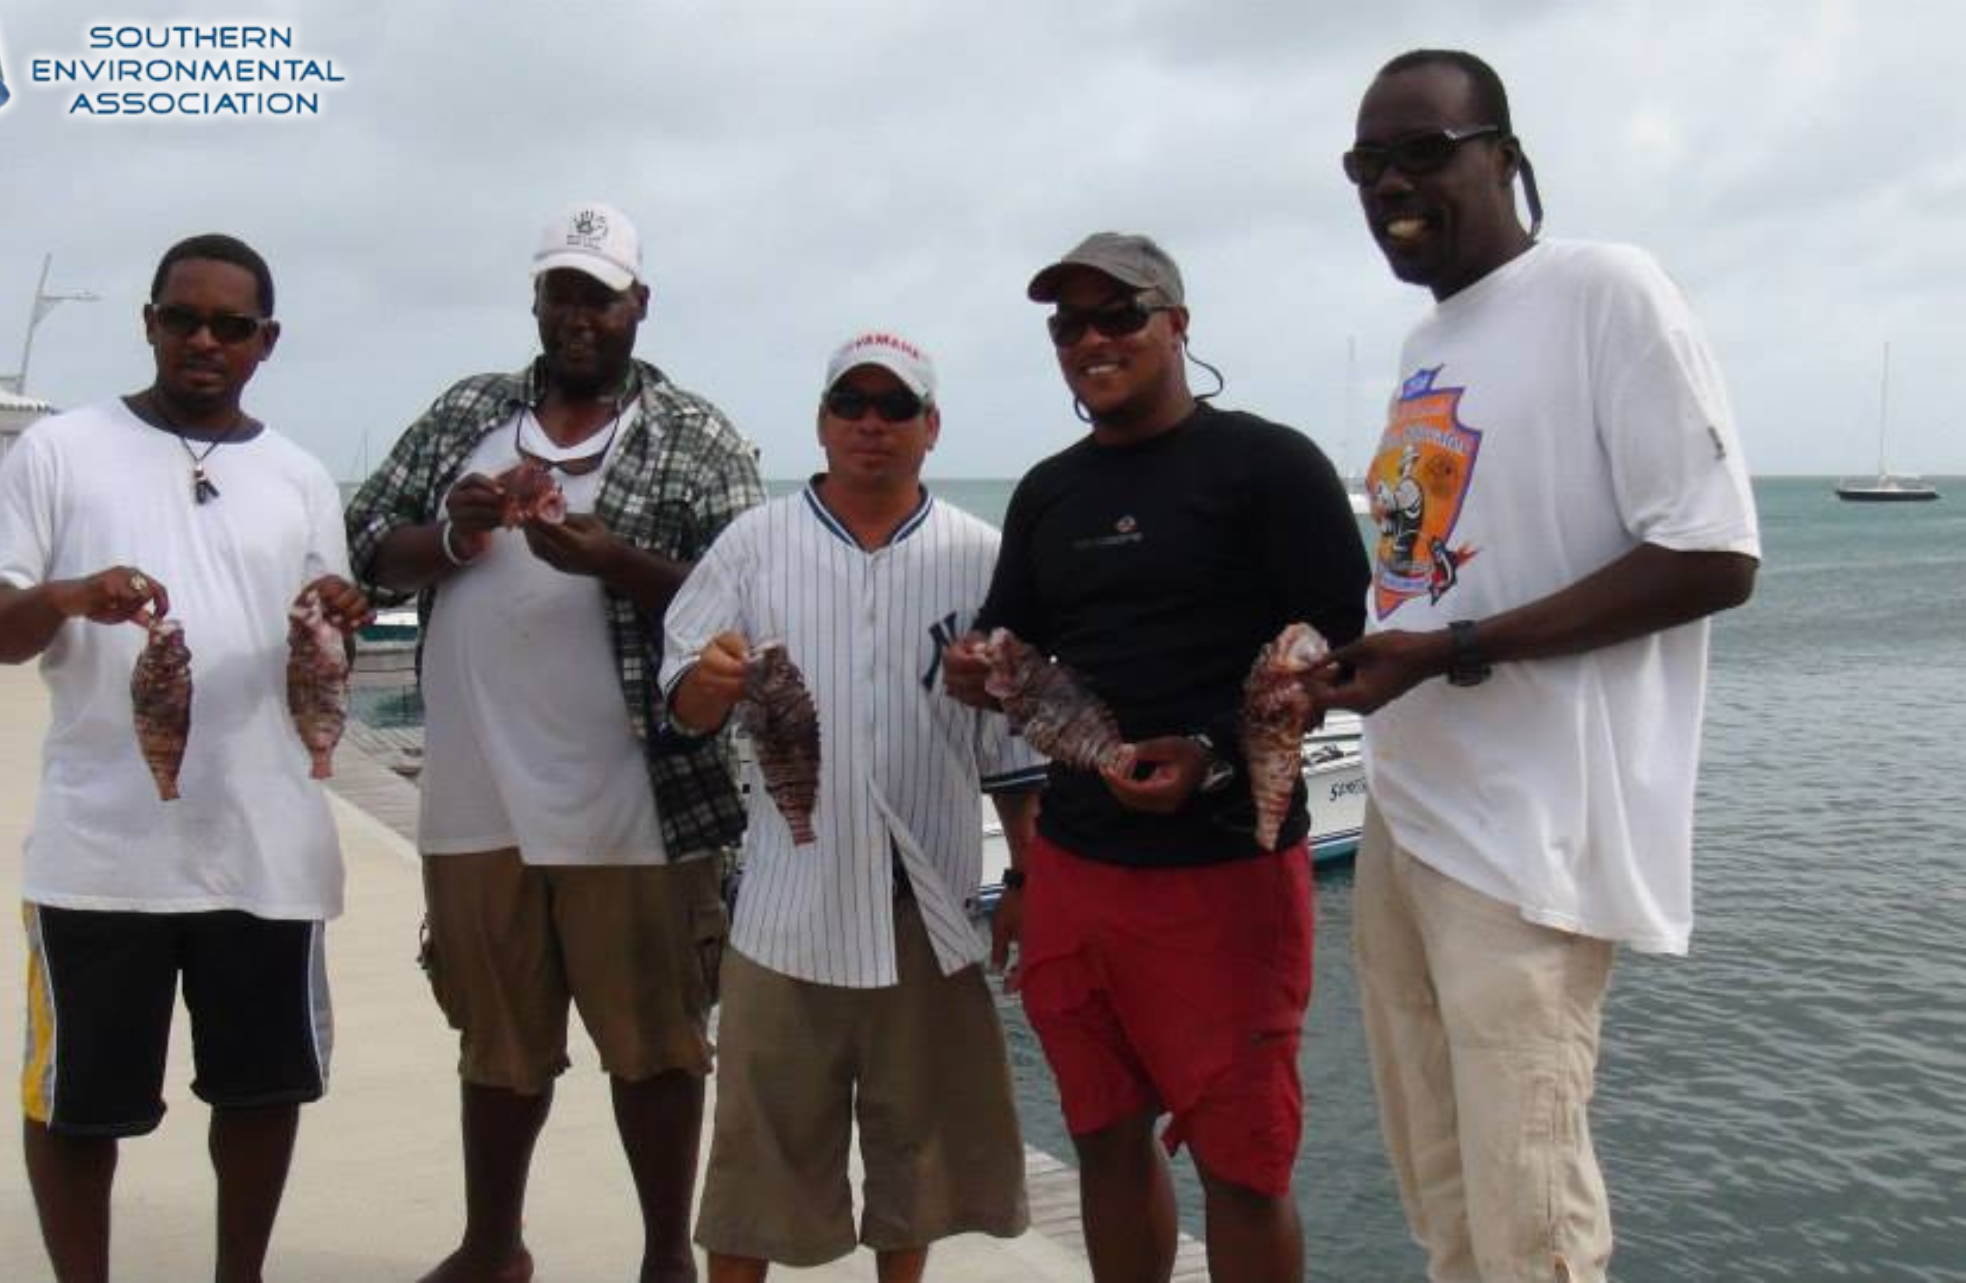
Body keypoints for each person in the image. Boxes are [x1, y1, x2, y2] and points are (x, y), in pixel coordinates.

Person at [1315, 50, 1761, 1283]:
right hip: (1409, 813)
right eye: (1367, 164)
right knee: (1444, 1202)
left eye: (1423, 151)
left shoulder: (1606, 290)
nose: (1390, 184)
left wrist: (1454, 650)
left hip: (1529, 844)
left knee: (1531, 1223)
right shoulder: (1426, 341)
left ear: (1506, 158)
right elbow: (1439, 568)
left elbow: (1714, 553)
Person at [344, 200, 765, 1283]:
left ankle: (665, 1257)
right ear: (536, 300)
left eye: (600, 297)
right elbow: (364, 546)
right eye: (561, 293)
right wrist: (453, 534)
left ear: (639, 305)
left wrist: (616, 561)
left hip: (637, 799)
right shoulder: (466, 414)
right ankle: (494, 1246)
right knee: (494, 1040)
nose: (579, 315)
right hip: (475, 795)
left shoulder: (696, 436)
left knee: (657, 1044)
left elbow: (750, 599)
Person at [945, 234, 1369, 1283]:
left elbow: (1339, 651)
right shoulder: (1049, 492)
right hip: (1079, 863)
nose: (1092, 339)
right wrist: (980, 668)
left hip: (1230, 870)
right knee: (1103, 1135)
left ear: (1177, 323)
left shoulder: (1272, 466)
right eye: (1069, 325)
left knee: (1245, 1165)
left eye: (1119, 314)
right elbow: (1013, 638)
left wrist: (1215, 753)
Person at [0, 233, 370, 1283]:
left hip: (264, 847)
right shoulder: (59, 451)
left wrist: (337, 611)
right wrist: (67, 595)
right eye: (183, 318)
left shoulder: (299, 477)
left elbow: (321, 648)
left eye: (232, 326)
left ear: (266, 341)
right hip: (100, 854)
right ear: (149, 322)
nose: (204, 340)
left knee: (262, 1090)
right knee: (75, 1104)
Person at [662, 331, 1043, 1281]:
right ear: (823, 422)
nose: (872, 423)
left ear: (931, 426)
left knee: (916, 1161)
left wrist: (1029, 881)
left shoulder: (982, 556)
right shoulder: (753, 544)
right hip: (787, 909)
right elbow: (684, 706)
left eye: (895, 406)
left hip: (929, 908)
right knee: (754, 1166)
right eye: (852, 404)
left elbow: (1015, 749)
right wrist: (711, 678)